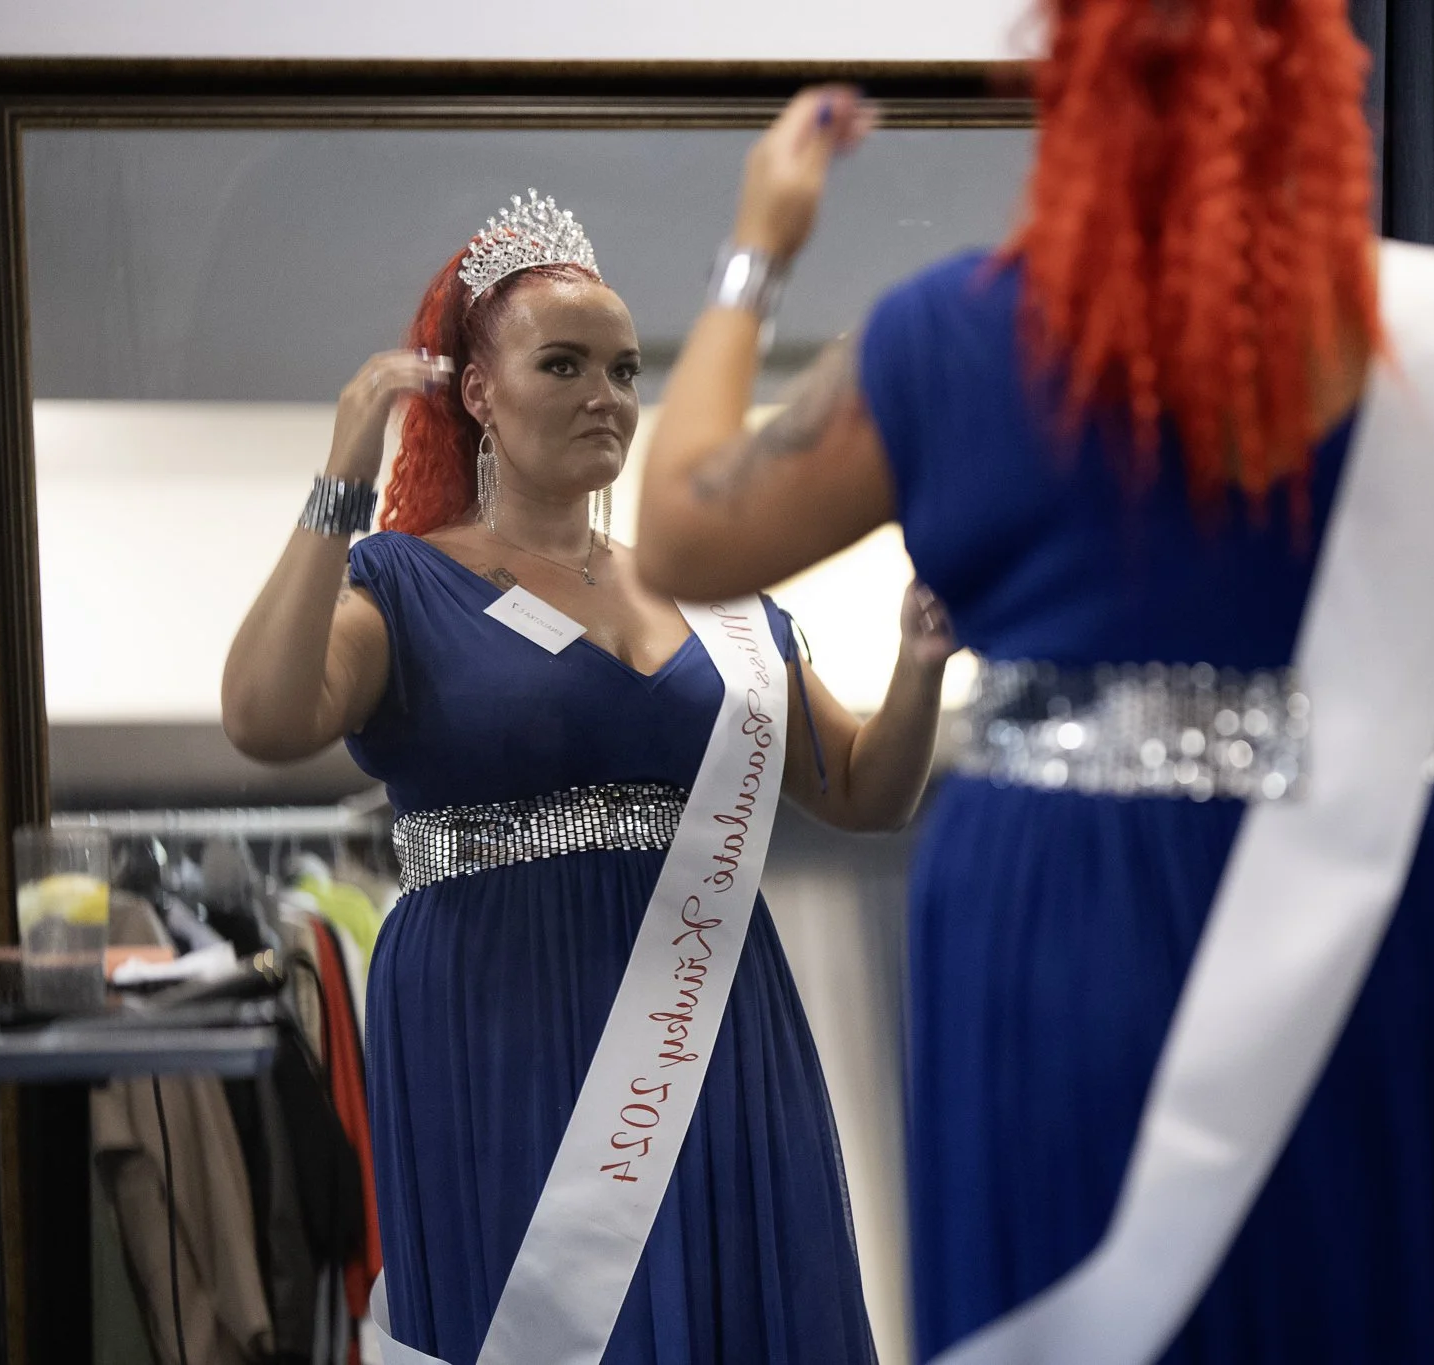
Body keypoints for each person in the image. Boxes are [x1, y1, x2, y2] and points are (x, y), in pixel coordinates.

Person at [632, 8, 1434, 1361]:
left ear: (1080, 98)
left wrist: (761, 248)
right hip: (1384, 899)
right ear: (1322, 97)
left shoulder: (952, 333)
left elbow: (682, 531)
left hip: (1060, 901)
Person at [221, 191, 952, 1363]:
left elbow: (865, 790)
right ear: (478, 394)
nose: (602, 395)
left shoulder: (713, 594)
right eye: (561, 365)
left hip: (711, 1017)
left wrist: (918, 660)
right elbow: (264, 717)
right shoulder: (401, 583)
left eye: (621, 370)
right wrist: (340, 481)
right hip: (493, 1017)